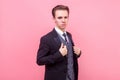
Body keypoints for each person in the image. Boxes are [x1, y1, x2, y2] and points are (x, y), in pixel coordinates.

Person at [36, 5, 81, 80]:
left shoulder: (69, 35)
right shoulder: (46, 39)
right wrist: (59, 54)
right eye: (60, 17)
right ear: (54, 19)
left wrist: (78, 53)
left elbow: (69, 56)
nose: (63, 20)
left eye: (65, 17)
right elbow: (40, 60)